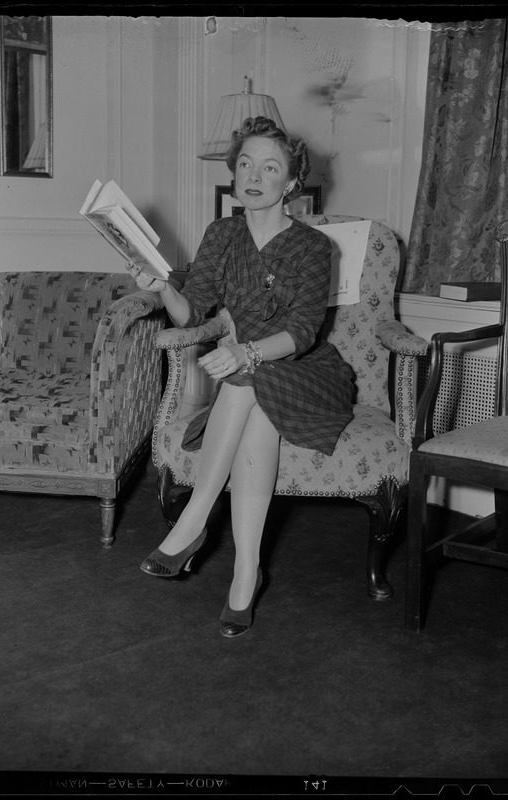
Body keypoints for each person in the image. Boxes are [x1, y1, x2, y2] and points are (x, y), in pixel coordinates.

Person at [126, 116, 355, 637]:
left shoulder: (315, 247)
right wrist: (162, 286)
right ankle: (246, 574)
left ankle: (193, 522)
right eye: (245, 163)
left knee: (249, 379)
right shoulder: (222, 233)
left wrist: (246, 353)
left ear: (291, 182)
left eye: (269, 166)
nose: (253, 175)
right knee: (255, 413)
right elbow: (191, 313)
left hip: (308, 372)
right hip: (253, 376)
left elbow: (302, 334)